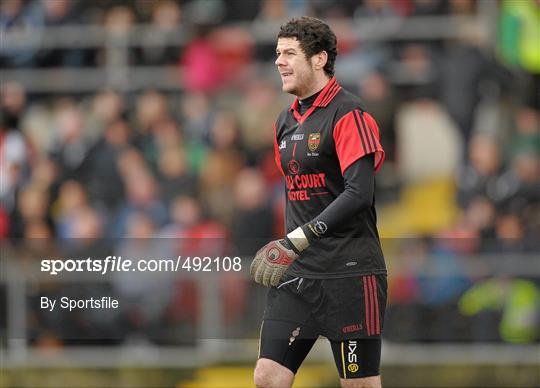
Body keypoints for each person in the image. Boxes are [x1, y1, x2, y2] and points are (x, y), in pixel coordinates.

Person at [250, 17, 387, 388]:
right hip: (298, 274)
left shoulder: (349, 113)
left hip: (350, 274)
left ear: (320, 59)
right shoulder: (284, 121)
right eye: (278, 53)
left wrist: (296, 239)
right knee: (268, 377)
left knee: (359, 385)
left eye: (290, 53)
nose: (279, 61)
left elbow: (359, 194)